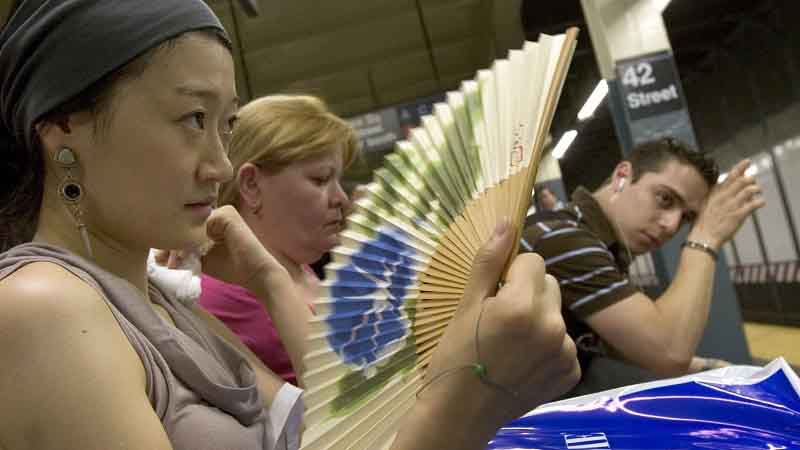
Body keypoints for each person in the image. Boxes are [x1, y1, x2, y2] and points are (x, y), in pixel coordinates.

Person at [0, 1, 579, 450]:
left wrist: (270, 281)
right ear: (62, 130)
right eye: (191, 118)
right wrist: (464, 402)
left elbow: (335, 430)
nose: (219, 165)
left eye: (224, 125)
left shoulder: (164, 304)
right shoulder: (42, 307)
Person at [521, 138, 764, 395]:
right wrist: (705, 237)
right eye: (665, 199)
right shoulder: (564, 240)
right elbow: (669, 351)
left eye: (687, 218)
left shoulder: (596, 244)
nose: (671, 225)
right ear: (622, 176)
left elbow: (623, 346)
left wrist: (706, 368)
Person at [198, 94, 358, 386]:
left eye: (338, 180)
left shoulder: (297, 263)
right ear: (250, 184)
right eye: (321, 179)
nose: (341, 198)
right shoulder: (213, 302)